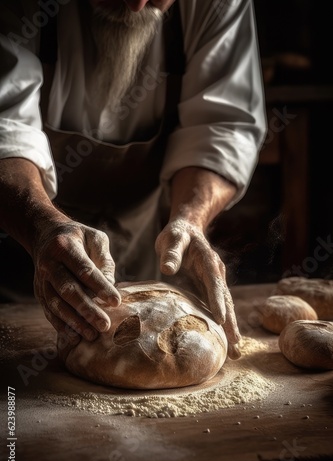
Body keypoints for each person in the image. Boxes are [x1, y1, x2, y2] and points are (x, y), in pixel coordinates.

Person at [0, 0, 267, 359]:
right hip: (13, 249)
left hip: (146, 259)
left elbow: (223, 127)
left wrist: (190, 219)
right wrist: (41, 227)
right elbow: (5, 124)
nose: (139, 3)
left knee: (137, 357)